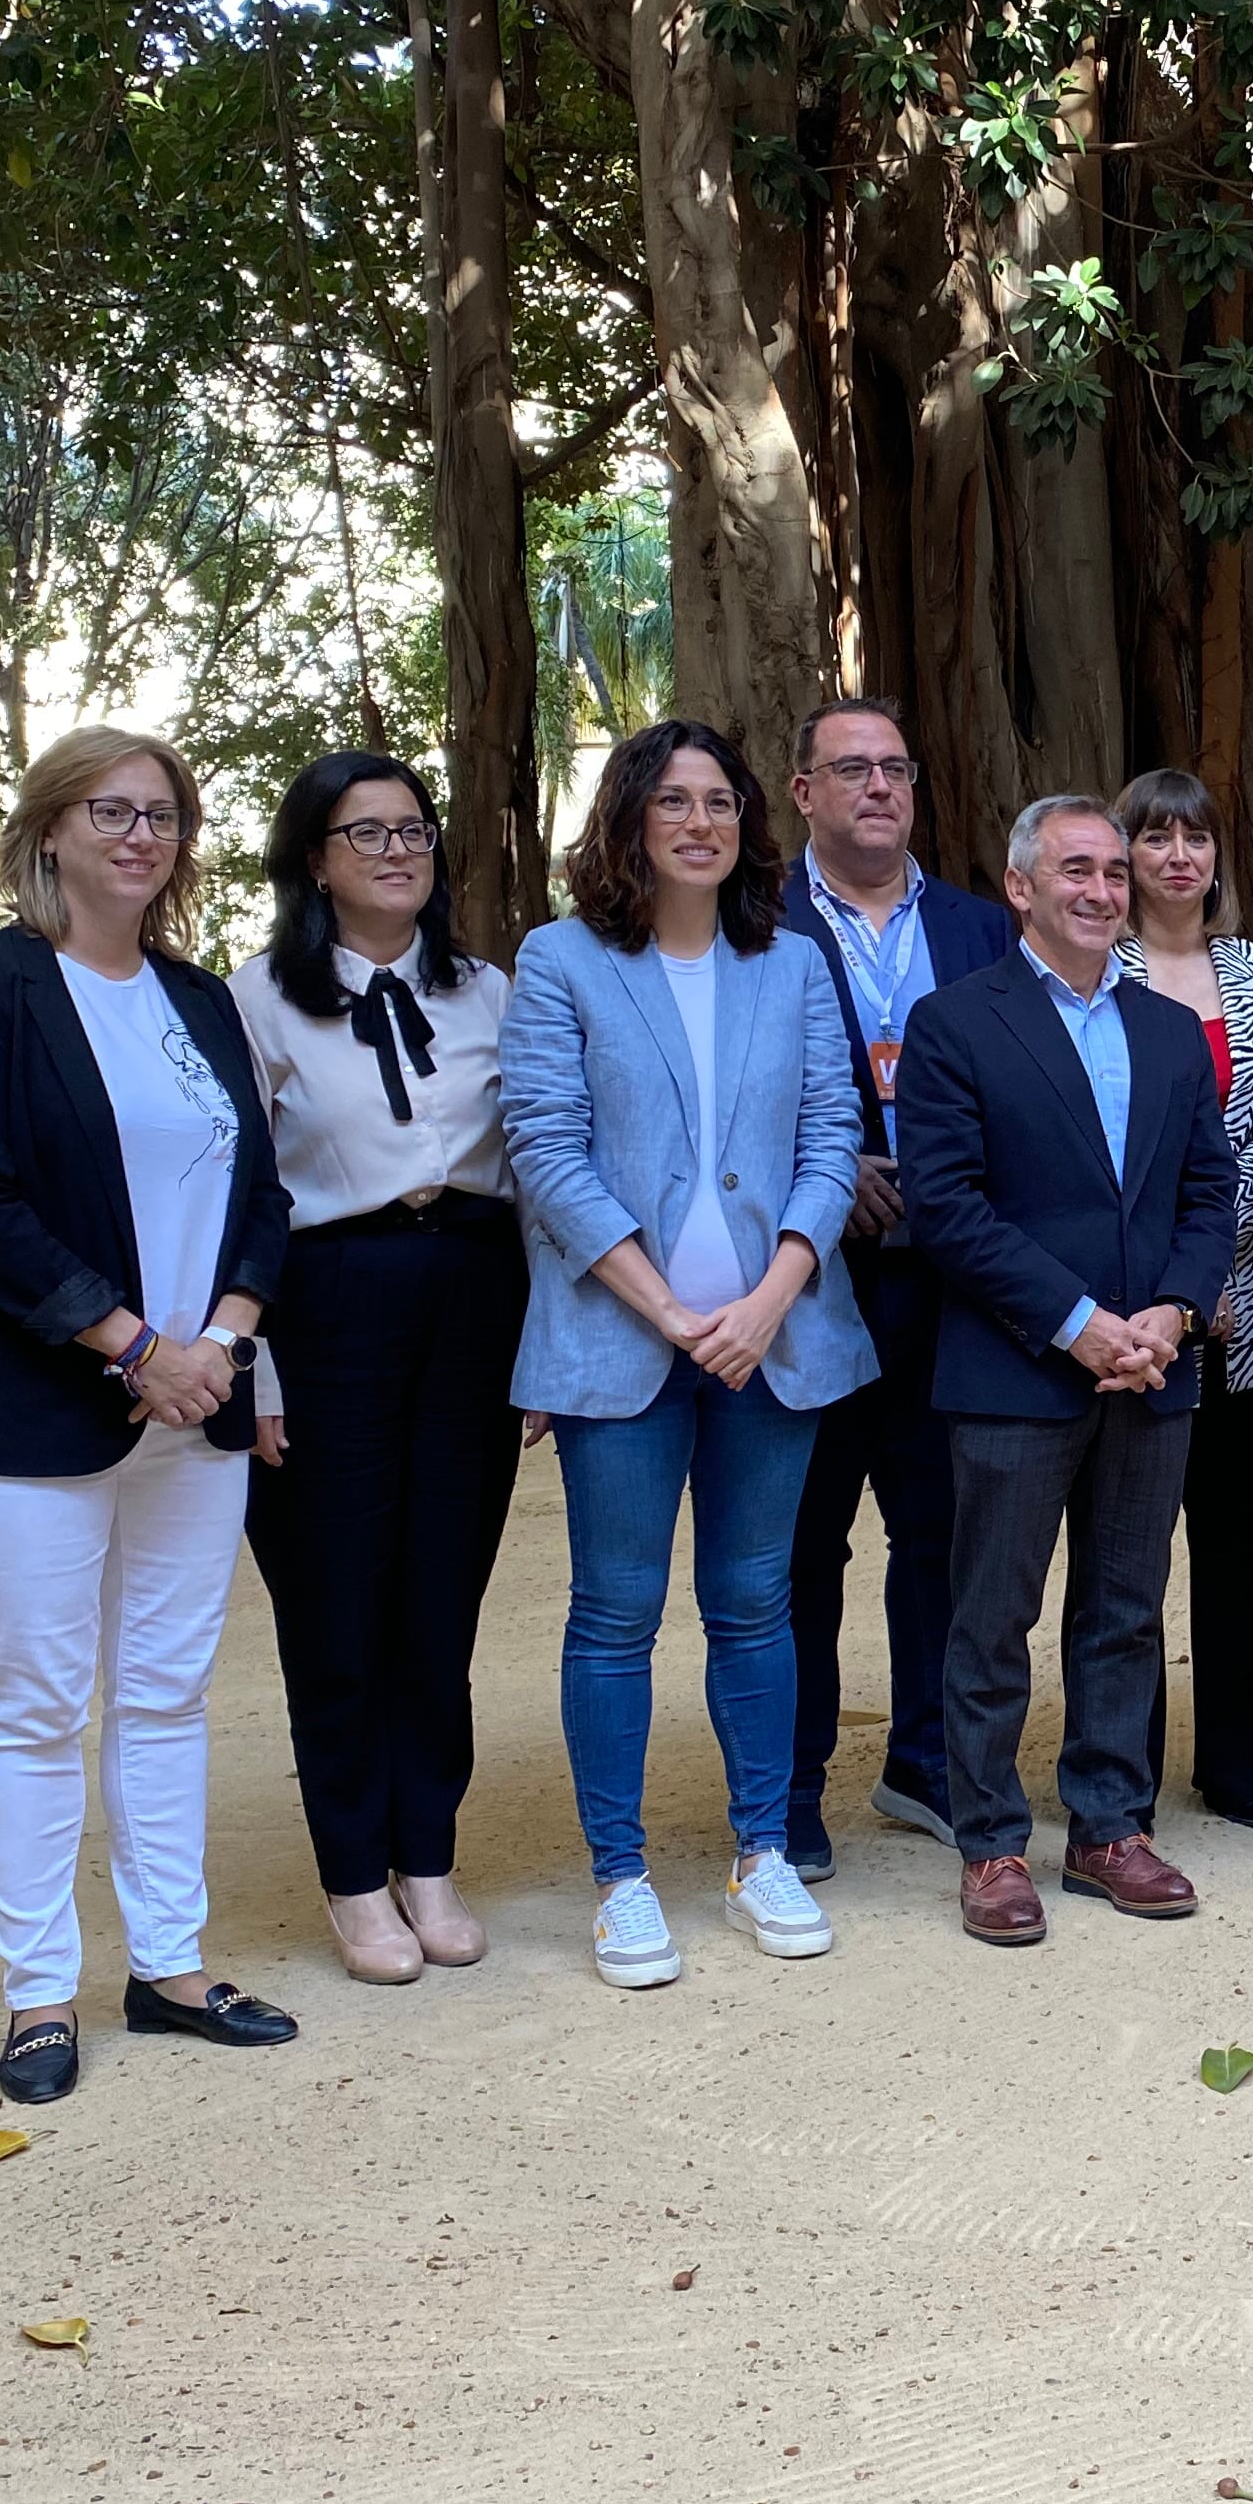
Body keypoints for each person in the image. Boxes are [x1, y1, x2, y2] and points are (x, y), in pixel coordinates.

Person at [0, 723, 296, 2104]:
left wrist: (226, 1344)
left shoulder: (199, 1003)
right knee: (34, 1703)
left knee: (169, 1693)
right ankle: (38, 1998)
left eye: (165, 815)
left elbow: (265, 1197)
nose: (142, 835)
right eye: (112, 811)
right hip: (30, 1415)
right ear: (51, 828)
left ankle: (173, 1969)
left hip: (200, 1408)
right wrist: (134, 1347)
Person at [504, 720, 875, 1989]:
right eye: (673, 800)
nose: (701, 821)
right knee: (614, 1612)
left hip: (774, 1342)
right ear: (630, 821)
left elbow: (834, 1136)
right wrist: (669, 1311)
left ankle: (762, 1851)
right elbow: (545, 1151)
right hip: (625, 1346)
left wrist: (772, 1296)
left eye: (721, 800)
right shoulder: (561, 961)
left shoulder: (792, 965)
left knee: (754, 1602)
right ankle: (619, 1879)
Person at [896, 796, 1239, 1946]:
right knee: (993, 1617)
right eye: (1076, 870)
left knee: (1126, 1612)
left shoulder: (1166, 1029)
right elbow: (944, 1207)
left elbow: (1210, 1192)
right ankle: (991, 1839)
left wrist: (1173, 1316)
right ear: (1019, 886)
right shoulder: (954, 1023)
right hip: (1015, 1372)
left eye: (1110, 873)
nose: (1101, 890)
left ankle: (1107, 1826)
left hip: (1155, 1371)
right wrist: (1078, 1321)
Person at [232, 751, 528, 1979]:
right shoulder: (254, 1001)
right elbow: (234, 1195)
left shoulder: (489, 992)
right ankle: (355, 1880)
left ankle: (429, 1862)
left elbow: (536, 1169)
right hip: (324, 1303)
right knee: (337, 1603)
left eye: (413, 831)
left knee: (440, 1599)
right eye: (367, 835)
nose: (398, 853)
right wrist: (251, 1364)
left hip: (470, 1289)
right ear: (315, 859)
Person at [779, 697, 1012, 1872]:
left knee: (942, 1538)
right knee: (800, 1548)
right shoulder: (747, 925)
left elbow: (1023, 1083)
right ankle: (793, 1785)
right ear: (803, 791)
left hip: (949, 1287)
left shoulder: (979, 928)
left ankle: (926, 1762)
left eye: (895, 769)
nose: (878, 787)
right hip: (804, 1286)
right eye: (850, 769)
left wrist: (945, 1178)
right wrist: (825, 1175)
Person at [1112, 767, 1253, 1828]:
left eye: (1196, 838)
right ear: (1125, 852)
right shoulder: (1100, 969)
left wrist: (1222, 1267)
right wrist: (1183, 1287)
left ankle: (1240, 1773)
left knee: (1233, 1542)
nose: (1179, 856)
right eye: (1156, 837)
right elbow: (1117, 1144)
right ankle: (1120, 1777)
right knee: (1128, 1552)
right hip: (1139, 1315)